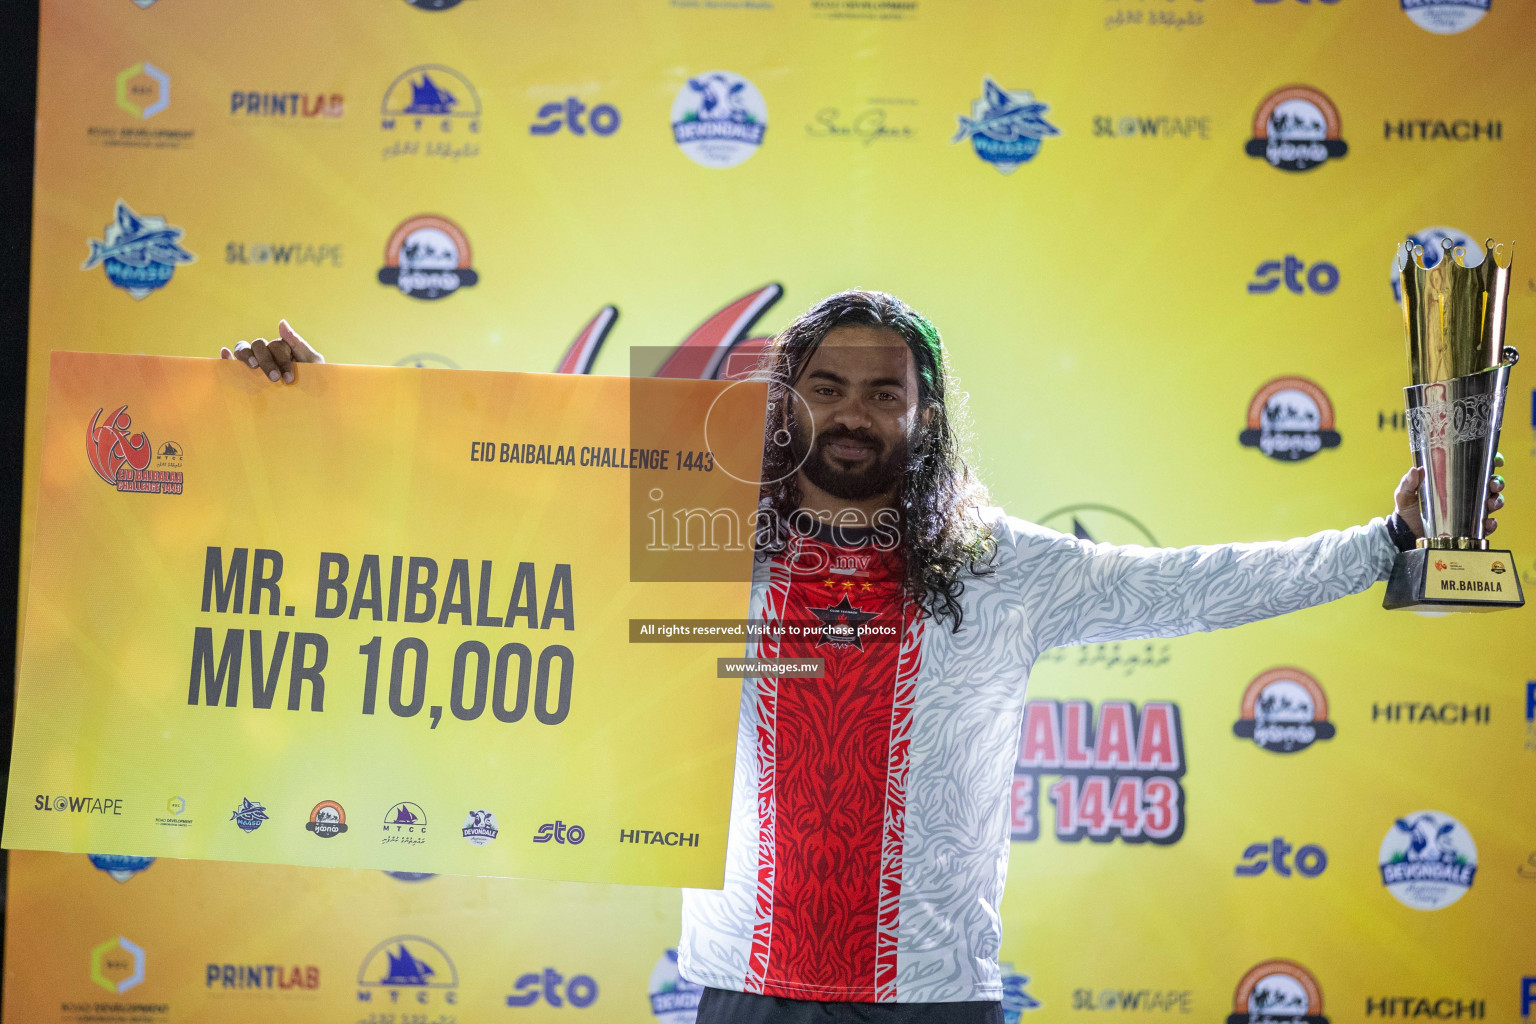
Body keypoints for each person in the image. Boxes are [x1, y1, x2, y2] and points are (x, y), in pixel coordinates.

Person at [223, 291, 1505, 1023]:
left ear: (924, 413)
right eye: (827, 386)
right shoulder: (691, 541)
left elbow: (1198, 584)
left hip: (933, 996)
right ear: (787, 400)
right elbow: (480, 512)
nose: (852, 412)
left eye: (883, 391)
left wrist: (1391, 535)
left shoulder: (1001, 567)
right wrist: (323, 410)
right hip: (740, 989)